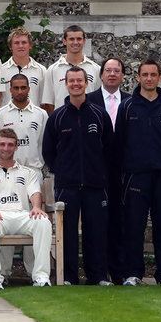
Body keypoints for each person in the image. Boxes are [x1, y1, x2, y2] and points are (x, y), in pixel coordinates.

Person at [42, 66, 113, 285]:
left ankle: (98, 276)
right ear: (66, 83)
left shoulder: (99, 114)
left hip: (95, 184)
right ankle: (69, 277)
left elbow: (109, 149)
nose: (75, 84)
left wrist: (99, 173)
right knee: (68, 234)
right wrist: (63, 171)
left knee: (96, 232)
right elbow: (48, 152)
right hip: (67, 185)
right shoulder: (57, 117)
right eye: (71, 81)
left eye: (79, 81)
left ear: (86, 83)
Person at [116, 59, 161, 286]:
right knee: (134, 226)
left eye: (153, 74)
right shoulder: (128, 106)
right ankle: (133, 273)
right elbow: (120, 142)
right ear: (138, 77)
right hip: (135, 175)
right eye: (145, 74)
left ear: (159, 77)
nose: (149, 78)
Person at [0, 128, 53, 291]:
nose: (6, 148)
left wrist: (36, 207)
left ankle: (41, 275)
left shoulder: (28, 172)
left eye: (10, 144)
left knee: (43, 222)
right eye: (2, 144)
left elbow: (34, 192)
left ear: (16, 146)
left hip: (22, 216)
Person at [0, 73, 48, 276]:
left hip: (32, 172)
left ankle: (34, 272)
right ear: (10, 90)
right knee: (6, 216)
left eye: (23, 88)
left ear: (29, 89)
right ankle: (4, 272)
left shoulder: (41, 114)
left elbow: (42, 144)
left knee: (33, 218)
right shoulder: (0, 115)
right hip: (7, 173)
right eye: (15, 88)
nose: (19, 91)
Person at [87, 57, 130, 283]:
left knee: (119, 222)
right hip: (96, 171)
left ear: (122, 76)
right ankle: (97, 273)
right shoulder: (89, 100)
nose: (112, 74)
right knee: (96, 223)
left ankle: (119, 272)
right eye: (108, 70)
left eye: (117, 71)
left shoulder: (132, 102)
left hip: (122, 172)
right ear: (101, 75)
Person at [41, 25, 101, 113]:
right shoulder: (53, 70)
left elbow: (98, 100)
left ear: (84, 41)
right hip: (62, 123)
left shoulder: (96, 69)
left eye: (79, 39)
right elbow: (49, 103)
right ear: (64, 41)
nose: (75, 42)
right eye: (71, 39)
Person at [0, 27, 46, 106]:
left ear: (30, 45)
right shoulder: (1, 70)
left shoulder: (41, 71)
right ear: (10, 47)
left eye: (24, 42)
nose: (20, 46)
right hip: (7, 117)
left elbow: (45, 102)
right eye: (16, 43)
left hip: (34, 117)